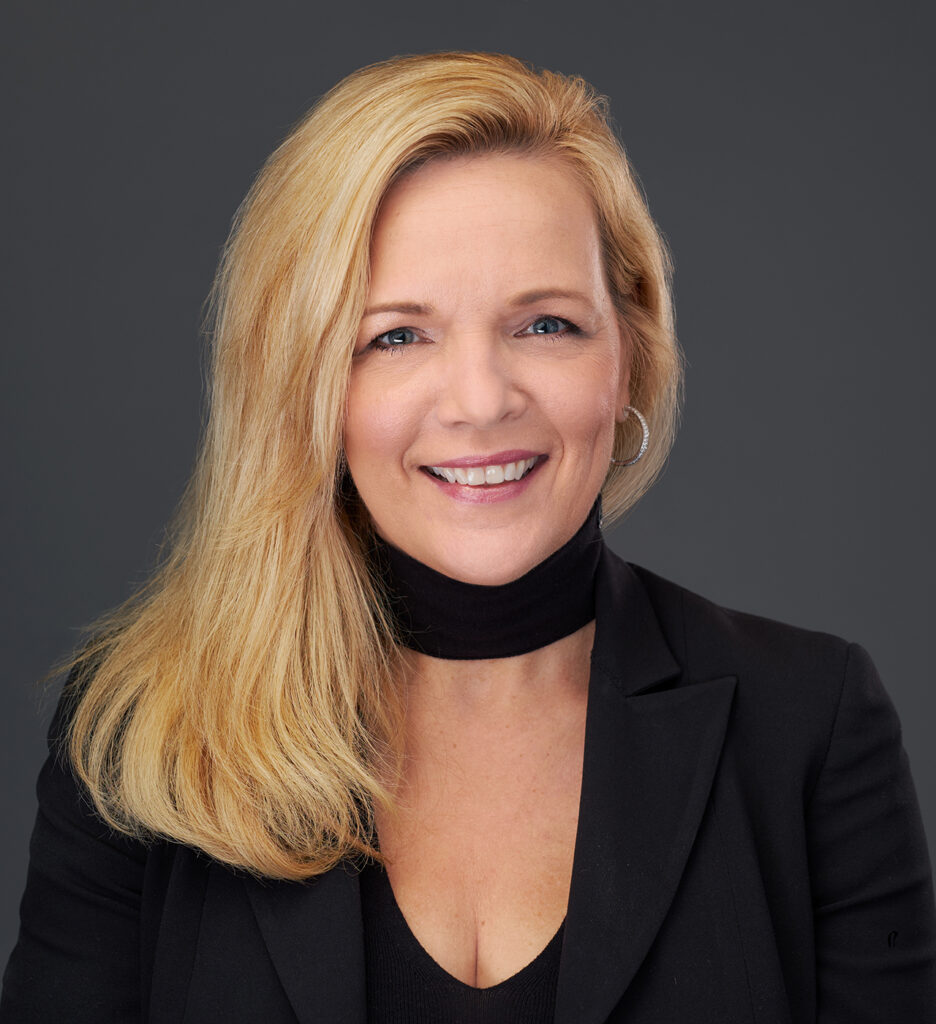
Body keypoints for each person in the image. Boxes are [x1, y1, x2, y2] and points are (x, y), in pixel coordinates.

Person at [2, 50, 934, 1024]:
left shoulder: (811, 723)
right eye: (397, 336)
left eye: (546, 325)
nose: (482, 402)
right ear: (304, 382)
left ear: (628, 354)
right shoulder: (146, 737)